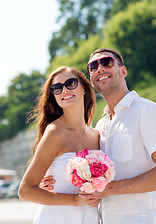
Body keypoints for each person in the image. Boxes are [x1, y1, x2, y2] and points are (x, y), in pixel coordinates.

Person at [41, 48, 156, 224]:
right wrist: (56, 182)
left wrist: (109, 189)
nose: (100, 68)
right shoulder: (100, 125)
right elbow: (91, 180)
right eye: (93, 66)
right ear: (91, 80)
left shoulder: (147, 111)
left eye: (106, 62)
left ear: (123, 71)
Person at [18, 66, 100, 224]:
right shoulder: (55, 133)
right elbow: (25, 191)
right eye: (57, 88)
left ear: (84, 87)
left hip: (89, 217)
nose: (64, 90)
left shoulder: (96, 135)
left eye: (71, 83)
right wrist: (75, 200)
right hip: (57, 218)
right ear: (54, 96)